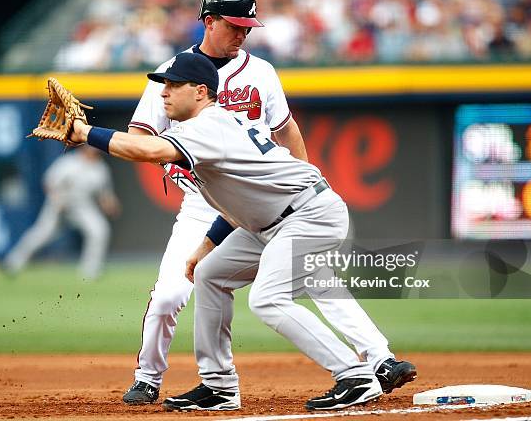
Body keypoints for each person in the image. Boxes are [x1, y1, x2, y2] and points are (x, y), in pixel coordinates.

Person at [122, 0, 415, 406]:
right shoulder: (175, 74)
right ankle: (149, 376)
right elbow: (142, 137)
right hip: (206, 201)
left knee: (314, 275)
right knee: (173, 291)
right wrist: (179, 163)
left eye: (248, 26)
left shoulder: (260, 71)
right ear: (209, 21)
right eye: (236, 25)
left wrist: (300, 180)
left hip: (266, 199)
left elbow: (286, 129)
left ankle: (378, 360)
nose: (243, 33)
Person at [67, 52, 408, 411]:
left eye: (172, 85)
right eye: (162, 85)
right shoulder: (209, 125)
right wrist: (206, 246)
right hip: (267, 219)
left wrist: (85, 131)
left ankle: (354, 376)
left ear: (201, 91)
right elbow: (239, 202)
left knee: (268, 298)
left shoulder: (206, 127)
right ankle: (219, 386)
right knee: (210, 274)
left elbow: (149, 150)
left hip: (308, 214)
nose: (163, 92)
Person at [3, 145, 120, 280]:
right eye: (90, 147)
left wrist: (110, 204)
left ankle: (90, 271)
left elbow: (105, 196)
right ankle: (13, 262)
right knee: (41, 234)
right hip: (60, 202)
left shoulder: (101, 169)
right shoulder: (69, 163)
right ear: (84, 148)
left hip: (82, 205)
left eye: (95, 147)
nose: (93, 150)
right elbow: (48, 183)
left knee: (99, 230)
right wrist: (57, 199)